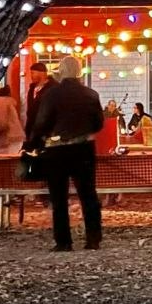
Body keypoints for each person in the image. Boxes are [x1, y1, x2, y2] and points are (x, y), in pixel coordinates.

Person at [25, 56, 105, 251]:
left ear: (61, 72)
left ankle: (63, 241)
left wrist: (33, 143)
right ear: (79, 71)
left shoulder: (52, 94)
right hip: (84, 147)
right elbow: (98, 124)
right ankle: (93, 238)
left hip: (57, 149)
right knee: (88, 194)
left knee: (59, 197)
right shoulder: (91, 94)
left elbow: (41, 123)